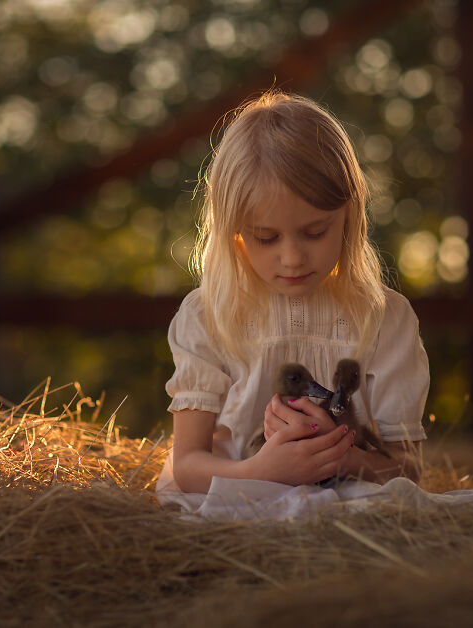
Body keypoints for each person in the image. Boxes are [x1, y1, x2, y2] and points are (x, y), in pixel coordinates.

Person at [158, 91, 429, 500]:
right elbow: (188, 468)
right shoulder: (208, 316)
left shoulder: (384, 317)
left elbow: (408, 468)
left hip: (352, 510)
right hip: (238, 507)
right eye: (266, 238)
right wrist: (262, 472)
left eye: (315, 232)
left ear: (349, 217)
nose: (292, 258)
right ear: (235, 233)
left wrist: (337, 456)